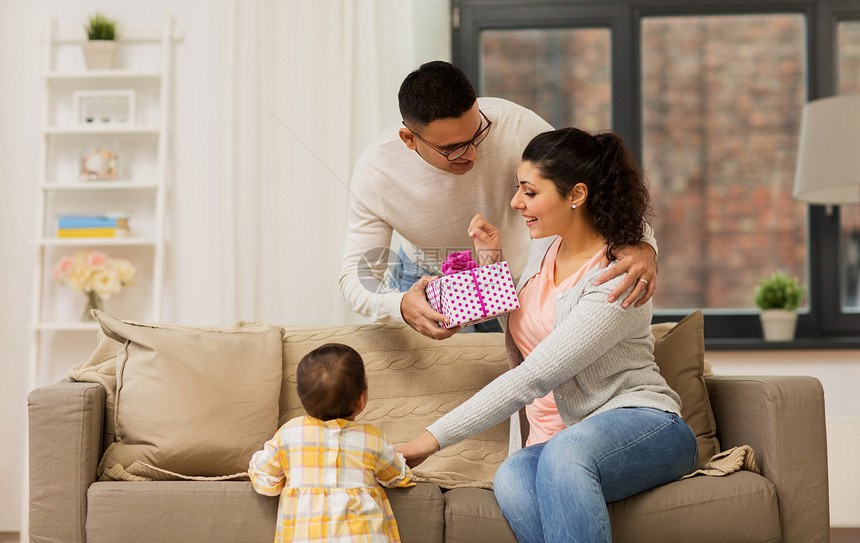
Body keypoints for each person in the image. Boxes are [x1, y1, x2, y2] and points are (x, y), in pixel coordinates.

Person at [398, 128, 698, 543]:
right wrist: (490, 265)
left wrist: (427, 442)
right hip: (560, 441)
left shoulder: (617, 276)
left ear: (576, 194)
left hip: (645, 424)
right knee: (514, 474)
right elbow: (529, 331)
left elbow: (536, 374)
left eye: (529, 192)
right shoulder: (546, 247)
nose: (515, 202)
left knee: (564, 454)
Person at [339, 61, 659, 340]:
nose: (472, 154)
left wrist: (643, 244)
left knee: (509, 366)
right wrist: (399, 306)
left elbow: (592, 184)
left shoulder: (516, 126)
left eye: (478, 134)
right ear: (410, 140)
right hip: (426, 275)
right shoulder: (375, 173)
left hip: (509, 274)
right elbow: (356, 277)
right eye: (453, 148)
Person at [248, 343, 415, 543]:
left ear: (301, 397)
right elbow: (399, 476)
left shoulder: (289, 435)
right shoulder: (372, 439)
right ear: (361, 399)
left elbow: (264, 480)